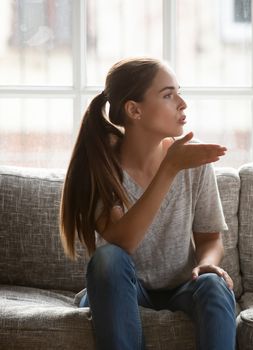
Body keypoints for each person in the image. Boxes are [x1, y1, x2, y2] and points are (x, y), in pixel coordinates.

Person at [59, 57, 236, 350]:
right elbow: (122, 242)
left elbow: (210, 239)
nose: (182, 103)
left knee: (214, 285)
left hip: (182, 287)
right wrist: (170, 169)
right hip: (124, 288)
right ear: (134, 110)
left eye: (179, 92)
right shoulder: (102, 167)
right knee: (108, 259)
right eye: (168, 95)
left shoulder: (193, 160)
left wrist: (206, 265)